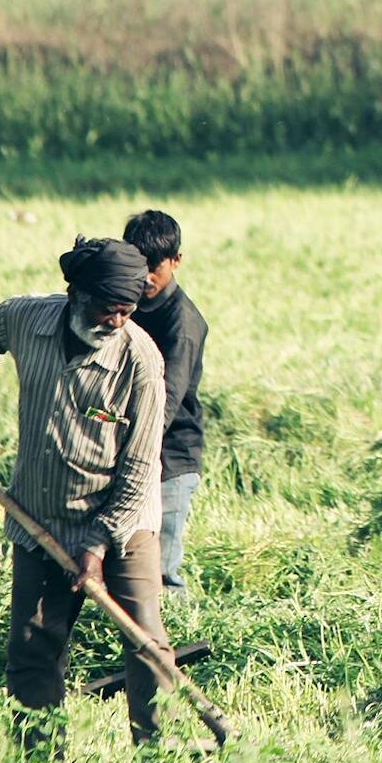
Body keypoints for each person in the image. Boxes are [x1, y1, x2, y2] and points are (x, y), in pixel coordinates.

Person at [0, 236, 174, 747]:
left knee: (146, 643)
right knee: (32, 648)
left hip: (123, 523)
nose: (116, 322)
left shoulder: (141, 361)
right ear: (76, 294)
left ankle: (160, 755)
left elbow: (139, 468)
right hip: (39, 518)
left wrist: (96, 544)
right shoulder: (25, 319)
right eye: (108, 309)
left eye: (127, 311)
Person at [123, 210, 209, 596]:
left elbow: (166, 402)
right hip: (129, 447)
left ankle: (169, 650)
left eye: (154, 266)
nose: (146, 277)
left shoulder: (184, 324)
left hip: (170, 459)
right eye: (137, 265)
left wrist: (128, 451)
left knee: (161, 572)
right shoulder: (123, 306)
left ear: (176, 260)